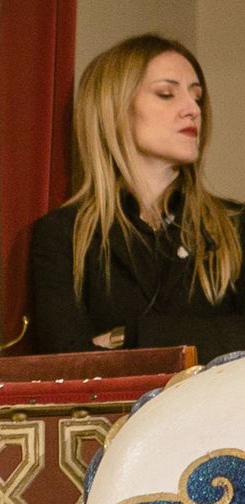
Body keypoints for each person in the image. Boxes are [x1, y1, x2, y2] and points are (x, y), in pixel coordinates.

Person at [29, 33, 245, 363]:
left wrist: (132, 336)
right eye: (166, 94)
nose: (192, 110)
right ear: (114, 109)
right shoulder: (62, 237)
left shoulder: (235, 226)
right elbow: (68, 361)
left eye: (197, 97)